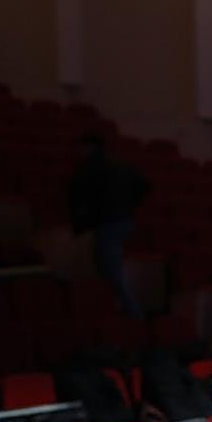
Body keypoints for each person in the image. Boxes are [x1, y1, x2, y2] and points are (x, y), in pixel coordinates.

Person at [67, 133, 150, 318]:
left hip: (108, 223)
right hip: (120, 221)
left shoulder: (91, 168)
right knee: (107, 269)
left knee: (111, 271)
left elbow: (78, 197)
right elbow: (142, 185)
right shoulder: (118, 166)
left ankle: (133, 314)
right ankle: (118, 312)